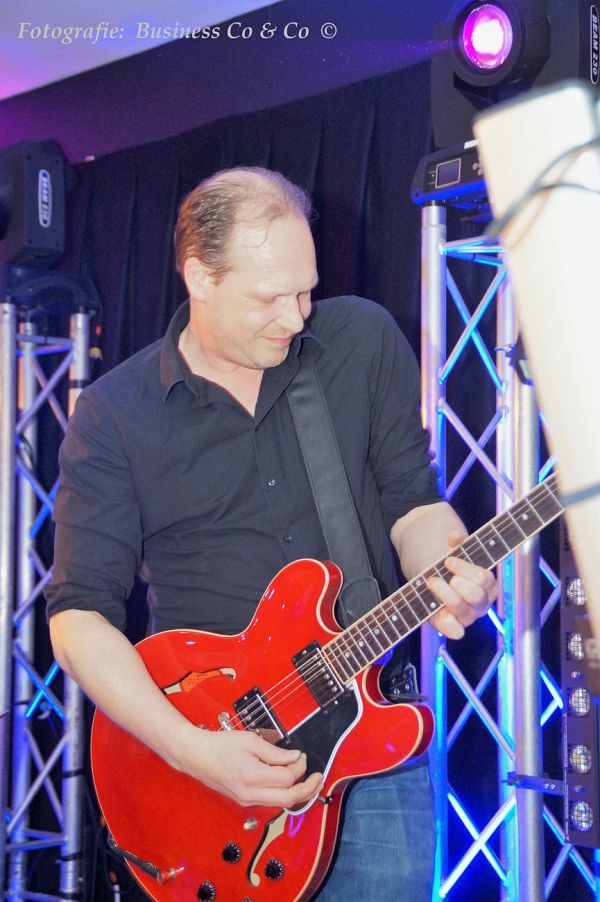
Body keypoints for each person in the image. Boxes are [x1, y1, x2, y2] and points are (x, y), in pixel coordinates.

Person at [46, 166, 497, 900]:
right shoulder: (114, 414)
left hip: (370, 733)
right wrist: (191, 751)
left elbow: (414, 505)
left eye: (305, 291)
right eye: (268, 299)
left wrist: (448, 568)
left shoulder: (360, 341)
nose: (294, 318)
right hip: (203, 760)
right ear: (200, 276)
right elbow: (78, 617)